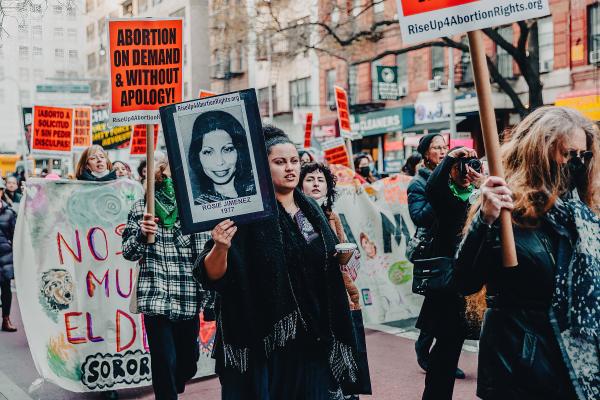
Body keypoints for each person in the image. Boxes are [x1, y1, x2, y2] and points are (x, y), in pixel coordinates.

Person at [193, 125, 358, 400]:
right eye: (279, 162)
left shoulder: (311, 209)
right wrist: (221, 246)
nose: (290, 169)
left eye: (294, 161)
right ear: (261, 166)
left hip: (314, 335)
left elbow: (319, 259)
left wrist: (337, 260)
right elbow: (211, 275)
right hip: (265, 343)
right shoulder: (245, 212)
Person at [455, 106, 600, 400]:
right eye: (567, 154)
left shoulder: (583, 216)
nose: (576, 164)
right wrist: (485, 220)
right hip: (521, 368)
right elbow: (464, 280)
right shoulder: (507, 211)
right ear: (539, 152)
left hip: (575, 367)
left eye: (582, 156)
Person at [122, 158, 212, 400]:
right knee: (163, 361)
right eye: (165, 179)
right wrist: (142, 235)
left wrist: (210, 296)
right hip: (155, 296)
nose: (171, 184)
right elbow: (129, 252)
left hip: (187, 298)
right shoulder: (141, 209)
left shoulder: (193, 211)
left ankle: (177, 380)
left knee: (187, 362)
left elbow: (204, 258)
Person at [419, 145, 482, 400]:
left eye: (472, 167)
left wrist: (483, 181)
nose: (467, 172)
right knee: (445, 349)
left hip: (477, 287)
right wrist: (450, 157)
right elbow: (432, 188)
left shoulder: (481, 198)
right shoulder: (447, 199)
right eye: (461, 167)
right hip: (449, 286)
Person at [407, 133, 463, 377]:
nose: (442, 151)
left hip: (458, 248)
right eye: (436, 148)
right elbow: (419, 216)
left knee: (451, 303)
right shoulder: (418, 184)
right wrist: (438, 194)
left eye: (444, 147)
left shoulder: (455, 178)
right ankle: (427, 348)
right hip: (435, 252)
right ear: (425, 153)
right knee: (439, 302)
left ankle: (442, 355)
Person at [299, 162, 360, 309]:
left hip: (334, 287)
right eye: (309, 179)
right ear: (300, 187)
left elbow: (343, 247)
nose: (315, 184)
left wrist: (347, 257)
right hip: (308, 290)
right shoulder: (295, 216)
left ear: (327, 188)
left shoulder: (333, 217)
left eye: (320, 180)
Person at [188, 110, 256, 204]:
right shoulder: (199, 207)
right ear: (197, 157)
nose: (220, 162)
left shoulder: (261, 191)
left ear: (240, 152)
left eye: (227, 149)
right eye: (208, 152)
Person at [0, 180, 16, 332]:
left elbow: (16, 236)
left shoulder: (9, 213)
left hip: (5, 257)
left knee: (6, 290)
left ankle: (6, 319)